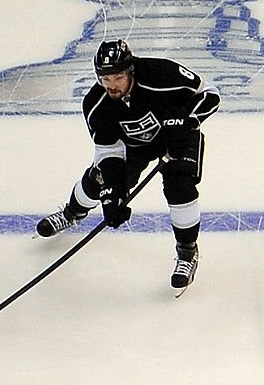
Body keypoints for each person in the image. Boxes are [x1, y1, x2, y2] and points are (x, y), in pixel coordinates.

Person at [37, 39, 220, 293]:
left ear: (130, 70)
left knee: (180, 187)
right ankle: (72, 213)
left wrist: (189, 121)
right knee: (98, 180)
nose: (112, 85)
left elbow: (210, 94)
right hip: (133, 146)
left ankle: (187, 252)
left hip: (177, 138)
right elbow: (108, 153)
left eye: (118, 77)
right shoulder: (96, 105)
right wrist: (111, 195)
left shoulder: (161, 73)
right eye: (105, 79)